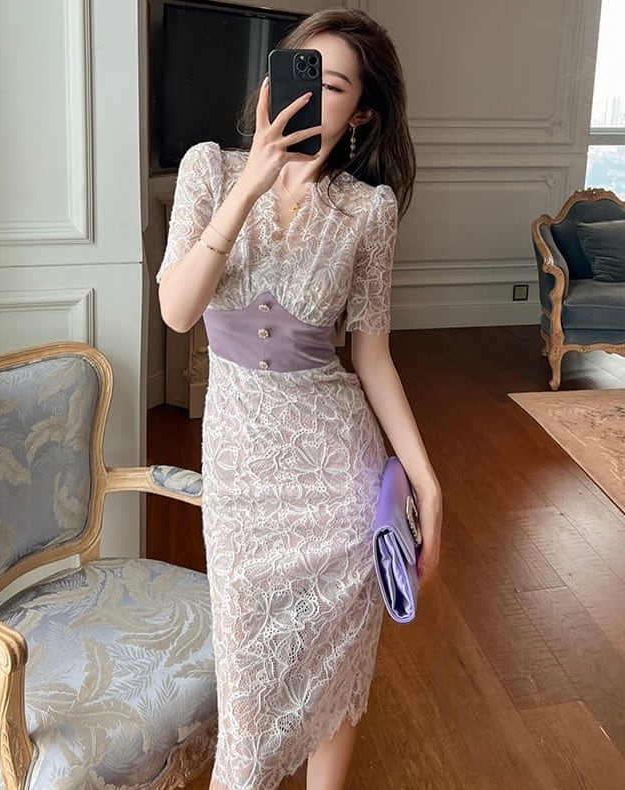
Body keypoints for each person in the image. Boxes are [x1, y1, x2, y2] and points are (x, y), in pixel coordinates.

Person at [157, 9, 442, 789]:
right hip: (243, 474)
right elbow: (178, 310)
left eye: (335, 86)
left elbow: (372, 356)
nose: (309, 97)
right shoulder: (209, 170)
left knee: (336, 676)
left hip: (338, 474)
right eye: (299, 72)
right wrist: (251, 183)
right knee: (248, 686)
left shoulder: (368, 212)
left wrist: (427, 480)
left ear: (363, 114)